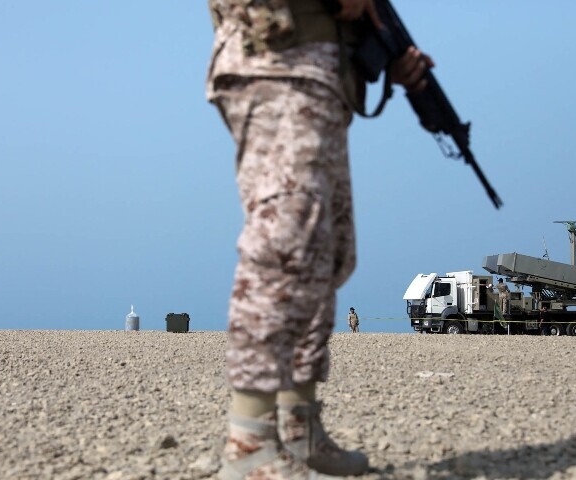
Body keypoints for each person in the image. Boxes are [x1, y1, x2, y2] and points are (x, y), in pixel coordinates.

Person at [206, 0, 433, 478]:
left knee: (325, 254)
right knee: (285, 242)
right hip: (274, 61)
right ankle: (249, 442)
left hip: (322, 77)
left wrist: (386, 53)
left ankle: (297, 428)